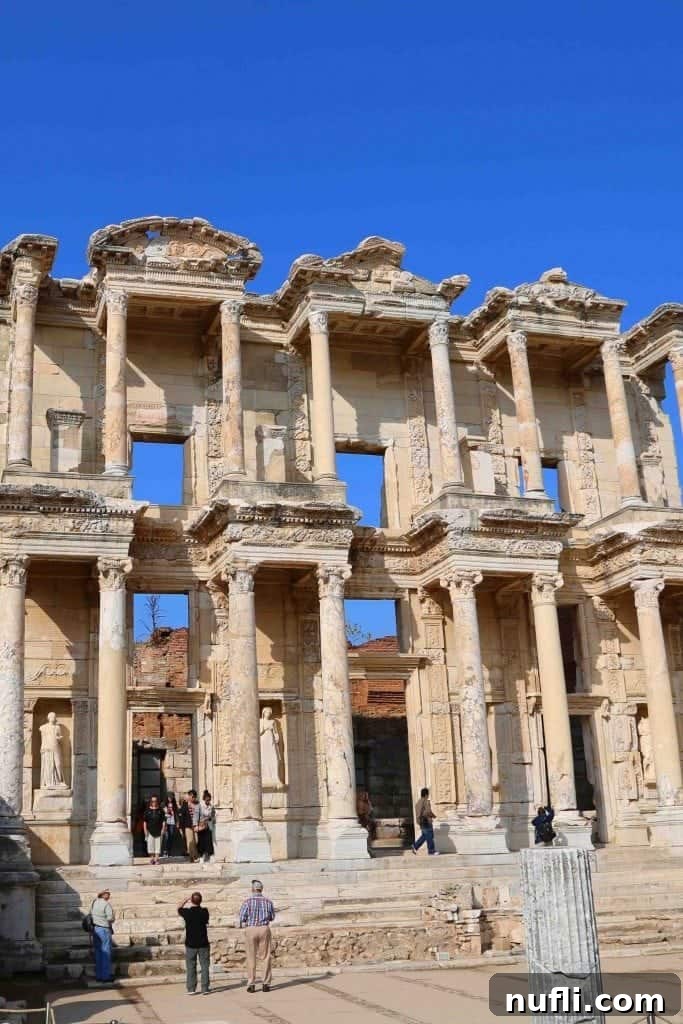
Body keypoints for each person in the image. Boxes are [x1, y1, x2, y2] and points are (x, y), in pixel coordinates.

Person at [239, 879, 275, 993]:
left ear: (253, 889)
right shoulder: (268, 902)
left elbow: (242, 917)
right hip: (264, 929)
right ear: (261, 889)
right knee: (265, 957)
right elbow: (272, 917)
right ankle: (265, 983)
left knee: (251, 957)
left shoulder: (247, 902)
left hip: (251, 929)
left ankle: (251, 984)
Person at [178, 891, 210, 995]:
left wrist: (185, 900)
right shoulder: (205, 912)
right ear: (201, 901)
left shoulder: (187, 912)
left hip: (191, 944)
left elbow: (178, 908)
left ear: (192, 901)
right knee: (205, 966)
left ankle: (191, 988)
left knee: (191, 966)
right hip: (203, 943)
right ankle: (205, 988)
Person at [90, 889, 115, 983]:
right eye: (108, 893)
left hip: (96, 929)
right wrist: (112, 919)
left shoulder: (94, 902)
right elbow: (110, 918)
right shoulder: (106, 904)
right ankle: (105, 976)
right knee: (106, 952)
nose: (109, 895)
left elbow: (91, 914)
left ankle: (99, 975)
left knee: (98, 952)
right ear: (103, 895)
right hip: (104, 929)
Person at [411, 787, 439, 856]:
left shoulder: (418, 802)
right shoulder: (426, 801)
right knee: (429, 836)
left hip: (420, 821)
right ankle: (431, 851)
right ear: (426, 794)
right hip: (426, 821)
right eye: (428, 794)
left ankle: (415, 846)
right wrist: (433, 816)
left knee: (424, 836)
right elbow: (428, 811)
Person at [179, 789, 200, 862]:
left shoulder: (197, 804)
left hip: (196, 825)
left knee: (196, 840)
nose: (192, 798)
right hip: (188, 825)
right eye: (191, 796)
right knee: (190, 841)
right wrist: (181, 827)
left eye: (193, 796)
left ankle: (194, 856)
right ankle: (193, 857)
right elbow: (181, 816)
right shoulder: (184, 805)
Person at [143, 795, 164, 865]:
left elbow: (163, 821)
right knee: (150, 845)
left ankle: (157, 859)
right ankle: (152, 859)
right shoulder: (147, 811)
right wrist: (145, 830)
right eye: (152, 801)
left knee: (158, 845)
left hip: (159, 830)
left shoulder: (161, 810)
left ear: (157, 801)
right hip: (150, 831)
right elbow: (145, 822)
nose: (154, 802)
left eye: (155, 801)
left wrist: (163, 829)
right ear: (151, 802)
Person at [198, 790, 215, 863]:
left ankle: (210, 855)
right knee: (201, 841)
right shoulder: (200, 806)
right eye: (207, 799)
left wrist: (210, 817)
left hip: (208, 825)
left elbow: (213, 816)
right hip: (202, 825)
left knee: (209, 841)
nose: (208, 801)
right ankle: (201, 856)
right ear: (204, 799)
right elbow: (198, 815)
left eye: (209, 800)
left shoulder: (211, 807)